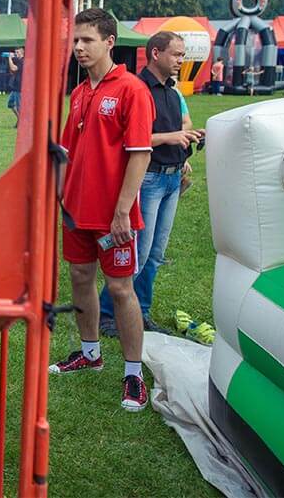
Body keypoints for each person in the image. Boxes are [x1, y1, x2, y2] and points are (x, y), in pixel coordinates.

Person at [50, 8, 154, 413]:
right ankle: (90, 353)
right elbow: (67, 154)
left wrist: (123, 211)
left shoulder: (131, 89)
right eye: (75, 40)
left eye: (87, 40)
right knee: (79, 278)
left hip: (115, 217)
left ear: (109, 42)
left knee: (120, 289)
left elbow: (139, 154)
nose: (78, 47)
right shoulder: (79, 93)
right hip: (76, 213)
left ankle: (133, 373)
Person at [97, 32, 204, 338]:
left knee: (155, 254)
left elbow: (175, 129)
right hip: (149, 178)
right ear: (156, 53)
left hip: (171, 178)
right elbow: (125, 139)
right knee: (137, 253)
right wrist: (171, 138)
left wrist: (184, 149)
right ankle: (108, 314)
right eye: (177, 55)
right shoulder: (136, 89)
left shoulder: (172, 91)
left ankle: (140, 311)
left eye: (182, 55)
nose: (181, 61)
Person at [6, 49, 23, 127]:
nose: (16, 54)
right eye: (15, 52)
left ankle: (22, 123)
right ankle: (20, 119)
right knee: (10, 104)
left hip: (19, 87)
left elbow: (13, 68)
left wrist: (9, 58)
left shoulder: (22, 61)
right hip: (15, 87)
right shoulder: (18, 61)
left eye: (17, 52)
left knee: (19, 107)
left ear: (22, 53)